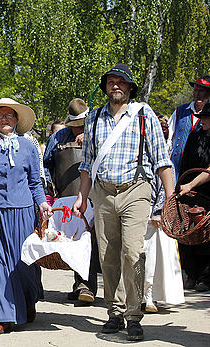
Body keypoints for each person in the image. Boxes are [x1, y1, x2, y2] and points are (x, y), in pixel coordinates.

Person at [72, 64, 174, 341]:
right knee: (107, 257)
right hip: (103, 193)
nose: (115, 85)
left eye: (121, 82)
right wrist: (82, 195)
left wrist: (170, 198)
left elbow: (162, 161)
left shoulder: (144, 116)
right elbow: (88, 164)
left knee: (133, 253)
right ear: (105, 87)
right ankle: (114, 312)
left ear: (130, 87)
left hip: (136, 190)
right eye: (111, 81)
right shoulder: (93, 119)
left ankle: (133, 314)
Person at [0, 98, 53, 335]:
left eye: (9, 115)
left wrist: (42, 204)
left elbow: (35, 182)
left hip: (22, 212)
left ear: (17, 120)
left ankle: (28, 301)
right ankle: (3, 316)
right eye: (0, 116)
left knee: (23, 263)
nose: (5, 119)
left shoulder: (28, 147)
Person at [43, 98, 99, 304]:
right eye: (74, 125)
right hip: (66, 197)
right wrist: (52, 188)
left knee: (88, 239)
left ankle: (87, 285)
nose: (78, 129)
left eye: (81, 125)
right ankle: (79, 284)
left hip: (91, 196)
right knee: (73, 240)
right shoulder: (58, 137)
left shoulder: (96, 133)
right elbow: (48, 162)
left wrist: (91, 145)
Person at [143, 114, 184, 312]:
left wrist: (158, 211)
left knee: (155, 259)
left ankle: (151, 297)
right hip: (138, 213)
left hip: (155, 218)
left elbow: (166, 187)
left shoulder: (163, 159)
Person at [176, 103, 210, 292]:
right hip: (192, 193)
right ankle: (191, 273)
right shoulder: (194, 137)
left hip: (207, 192)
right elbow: (186, 164)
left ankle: (205, 277)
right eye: (202, 117)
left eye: (206, 117)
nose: (202, 120)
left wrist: (191, 184)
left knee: (207, 237)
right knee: (188, 232)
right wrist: (182, 187)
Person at [168, 74, 210, 179]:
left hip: (200, 170)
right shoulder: (181, 111)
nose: (197, 94)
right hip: (176, 166)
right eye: (195, 90)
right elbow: (169, 138)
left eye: (201, 91)